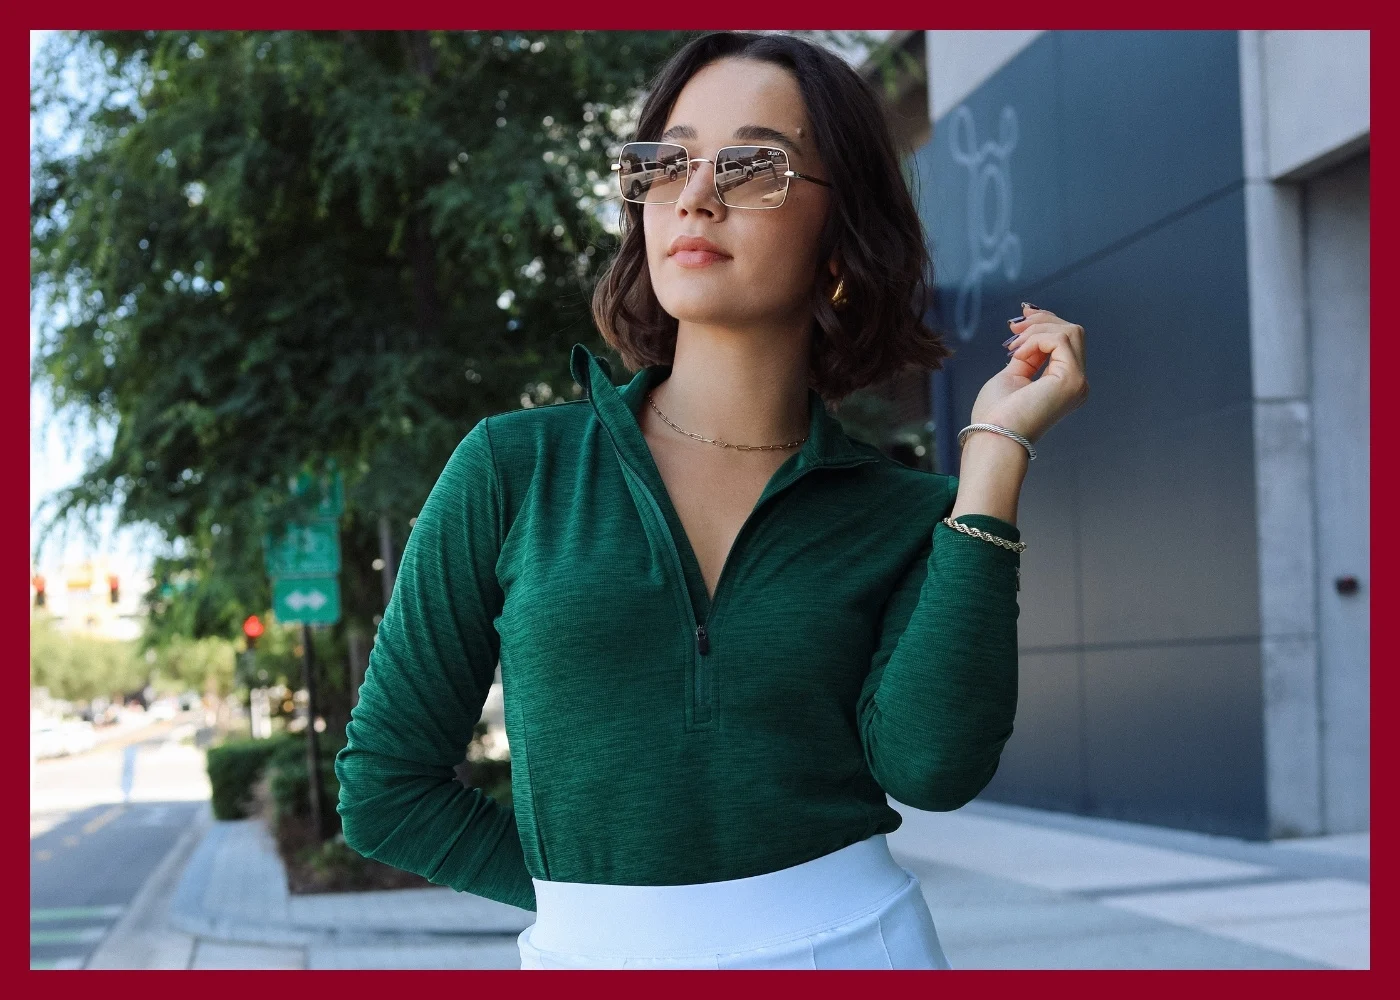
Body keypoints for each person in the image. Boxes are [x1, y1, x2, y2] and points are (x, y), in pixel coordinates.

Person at [335, 30, 1089, 970]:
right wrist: (609, 906)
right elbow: (386, 791)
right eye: (668, 162)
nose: (695, 194)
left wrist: (992, 462)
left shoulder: (903, 513)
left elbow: (934, 770)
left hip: (855, 950)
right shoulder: (513, 469)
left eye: (751, 165)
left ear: (840, 234)